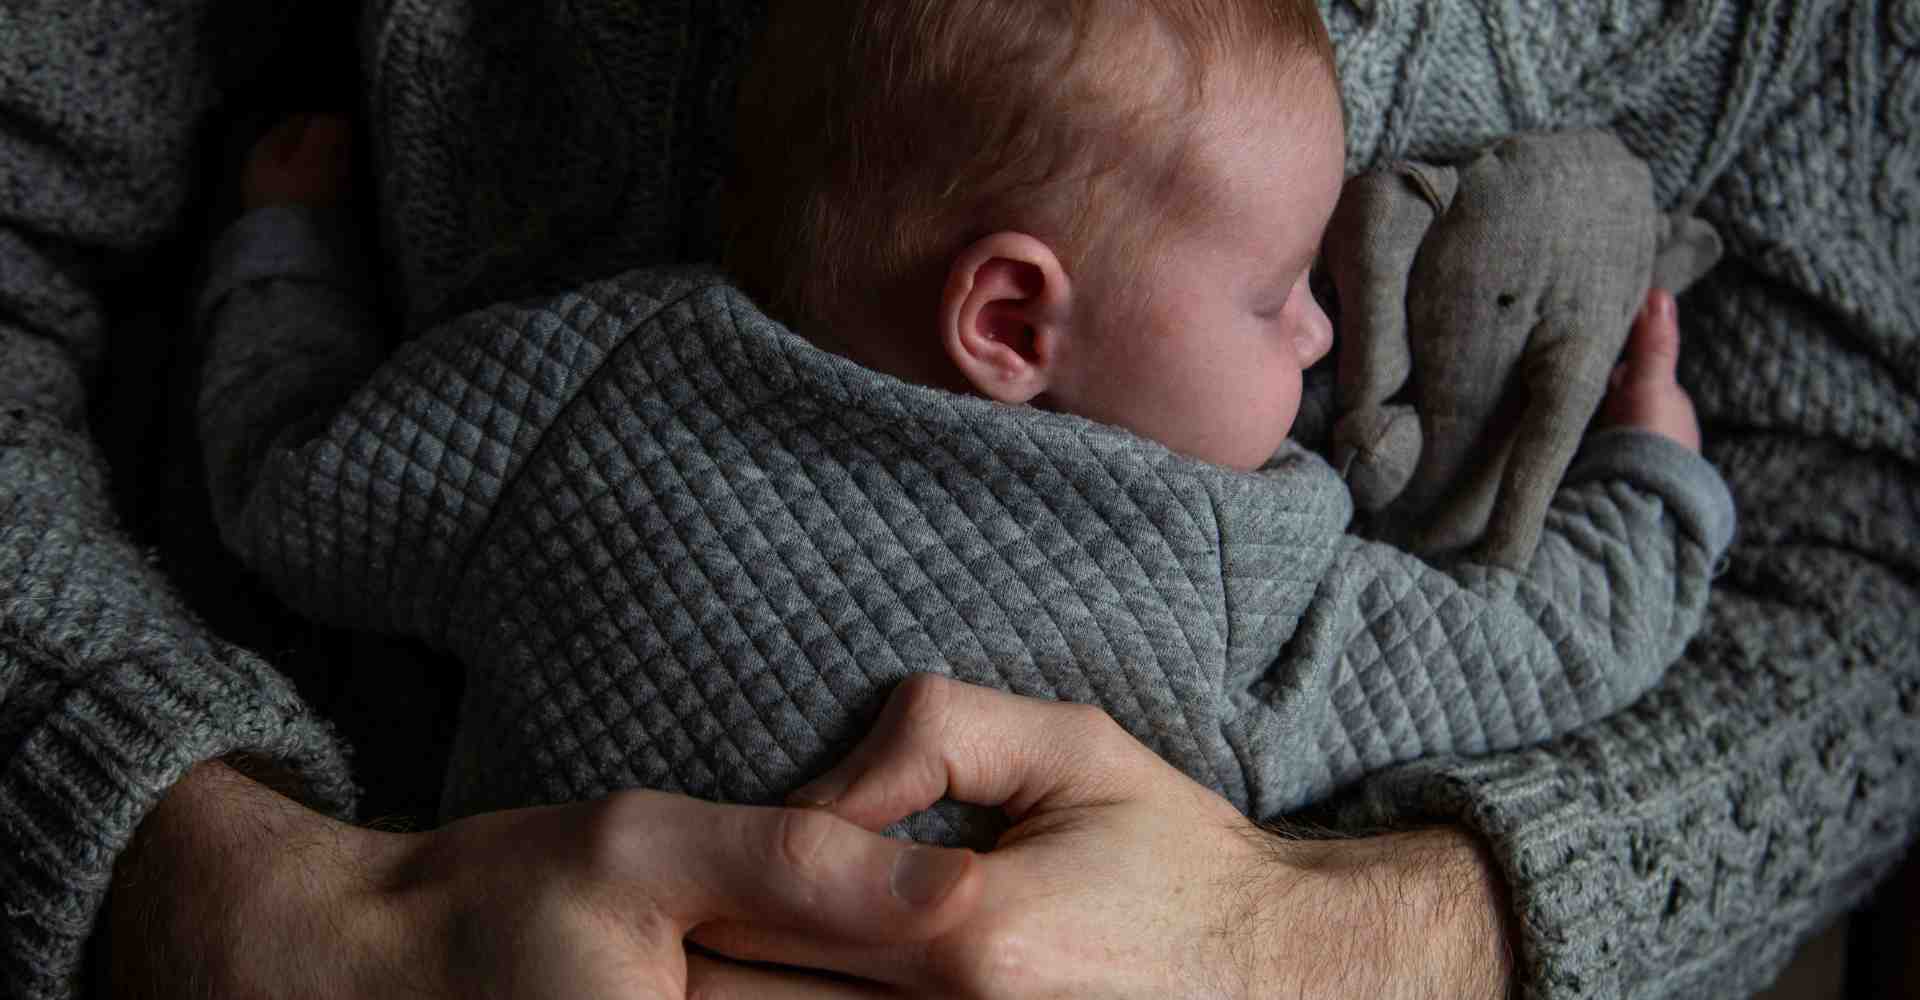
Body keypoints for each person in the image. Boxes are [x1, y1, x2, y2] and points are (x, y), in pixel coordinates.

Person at [6, 1, 1916, 998]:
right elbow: (1542, 637)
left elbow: (287, 471)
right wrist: (1654, 477)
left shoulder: (579, 384)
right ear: (1013, 312)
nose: (1325, 338)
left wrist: (281, 245)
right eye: (1278, 294)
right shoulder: (1229, 559)